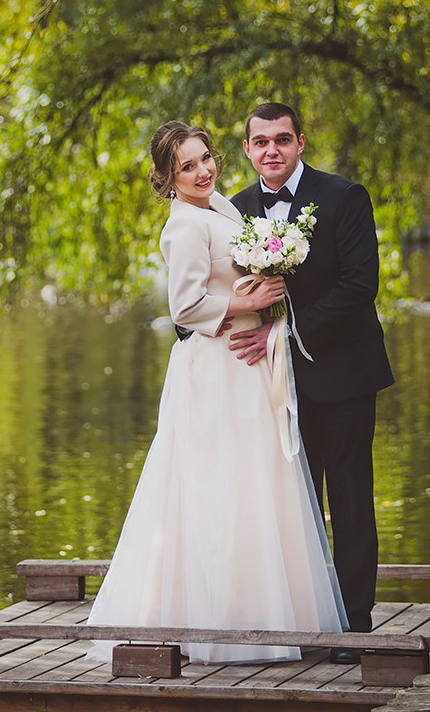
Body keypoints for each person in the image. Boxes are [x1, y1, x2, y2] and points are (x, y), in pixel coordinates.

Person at [85, 121, 348, 665]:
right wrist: (248, 301)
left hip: (245, 364)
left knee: (255, 482)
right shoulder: (183, 225)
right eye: (187, 166)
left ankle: (266, 611)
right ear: (168, 177)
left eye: (205, 158)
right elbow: (184, 307)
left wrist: (268, 289)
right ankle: (216, 620)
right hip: (215, 367)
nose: (203, 171)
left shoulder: (220, 206)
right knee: (218, 483)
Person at [228, 102, 394, 663]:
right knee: (288, 503)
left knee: (349, 499)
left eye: (281, 139)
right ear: (247, 149)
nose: (271, 150)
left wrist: (286, 333)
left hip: (343, 373)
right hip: (269, 384)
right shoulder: (235, 210)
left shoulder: (344, 197)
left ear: (300, 142)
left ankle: (353, 624)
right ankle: (302, 617)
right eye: (260, 142)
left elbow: (360, 285)